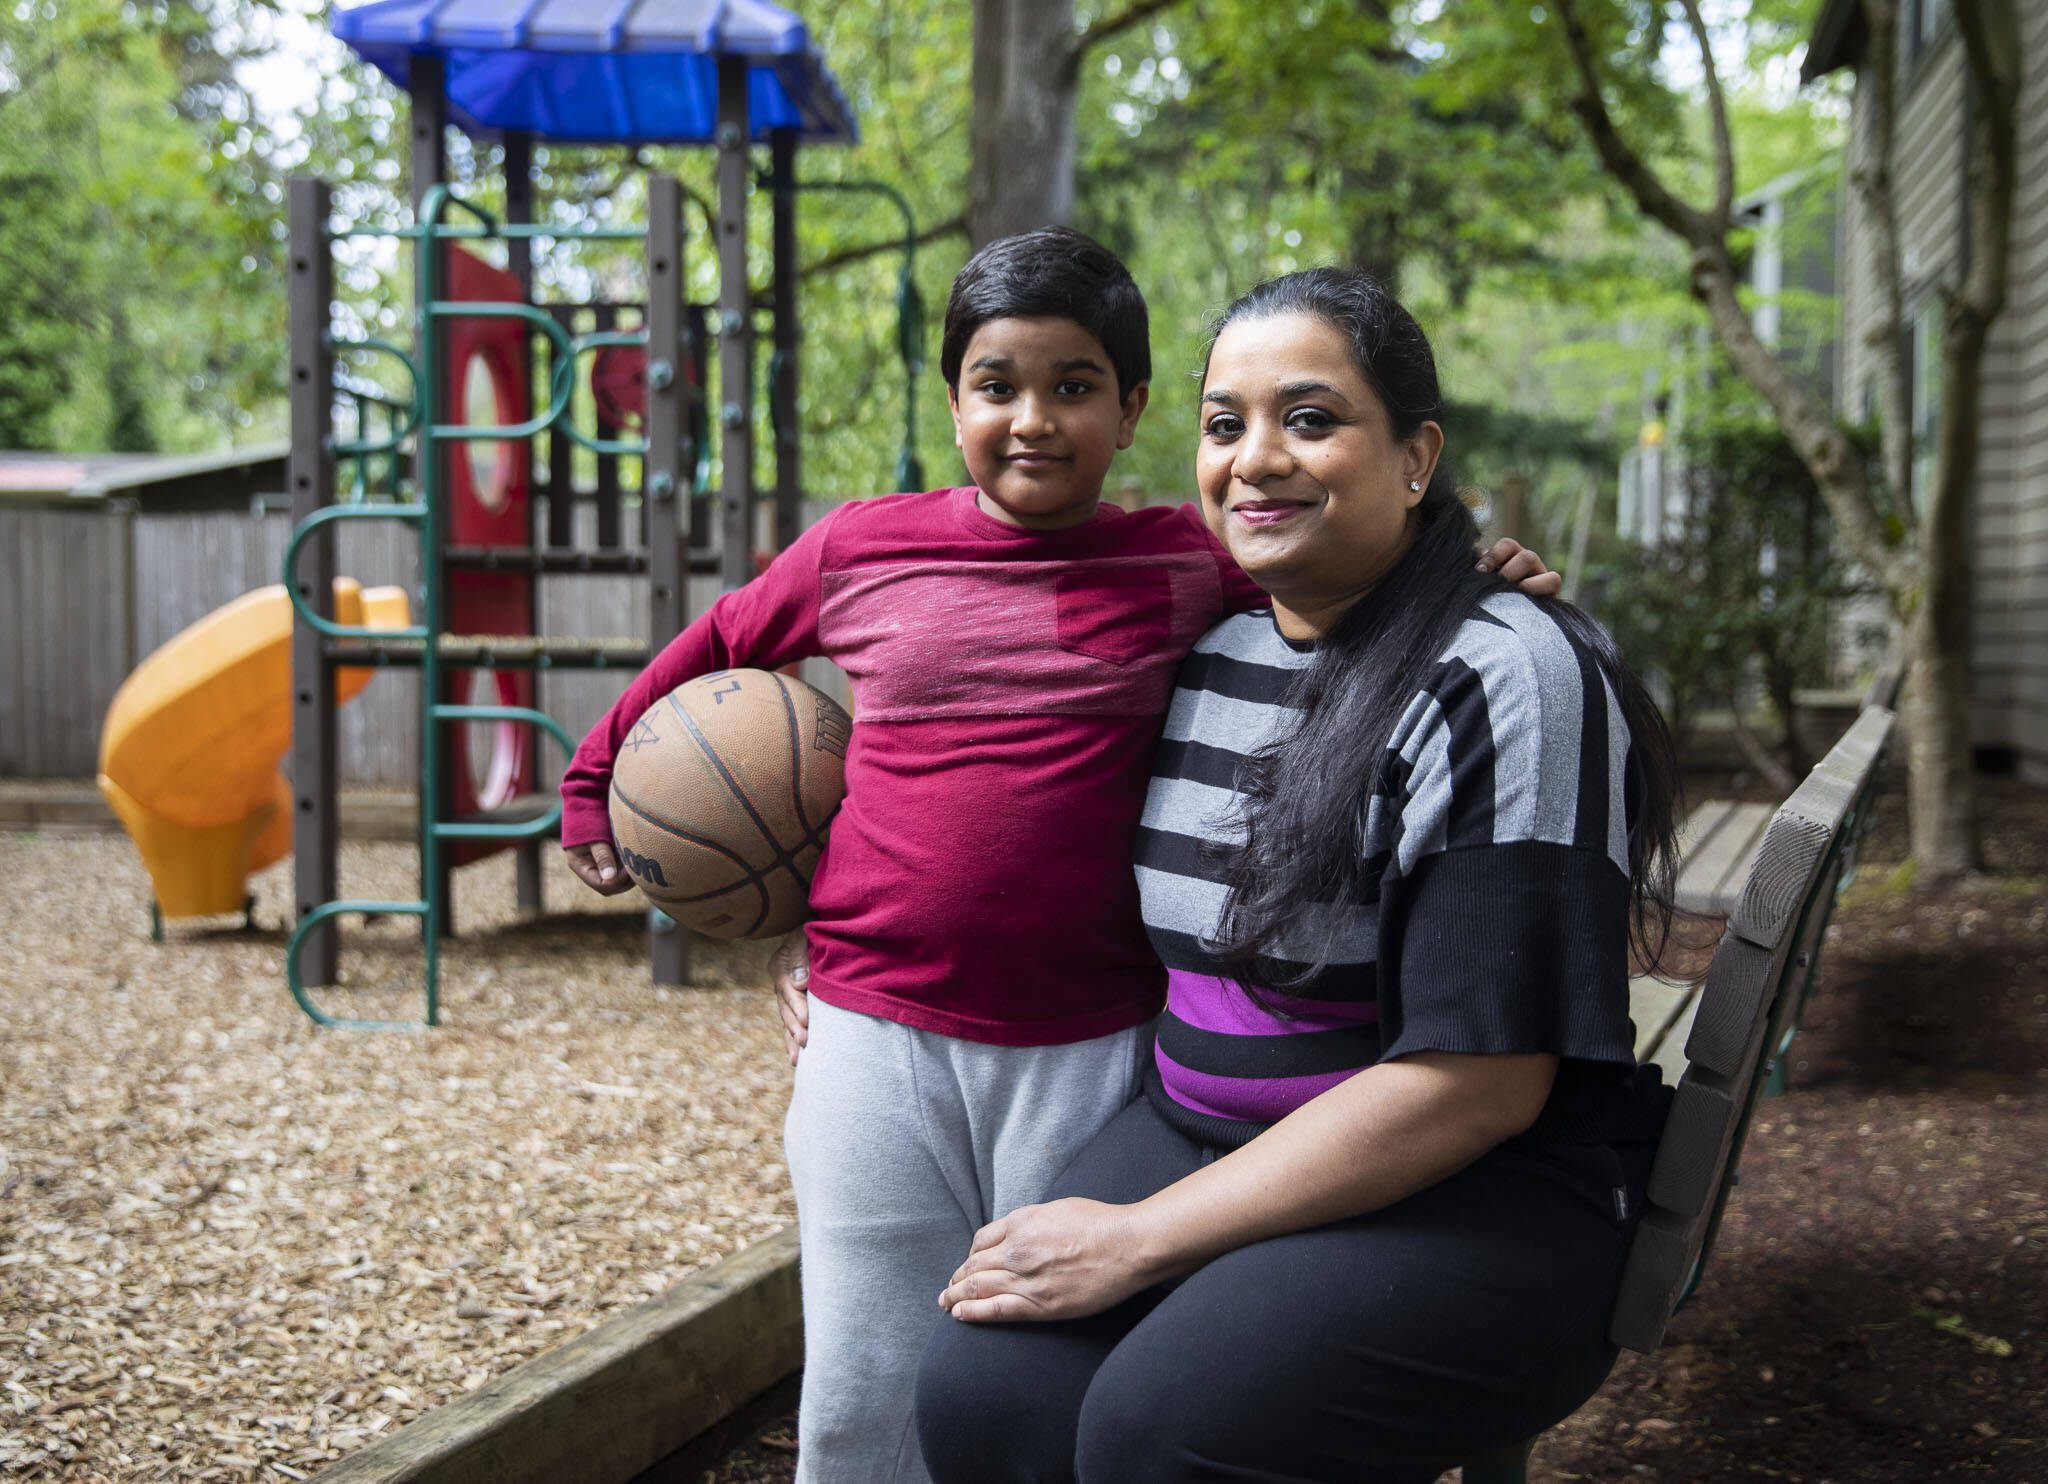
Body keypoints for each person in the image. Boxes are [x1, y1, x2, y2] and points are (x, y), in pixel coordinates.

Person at [560, 232, 1556, 1484]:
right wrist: (594, 782)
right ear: (952, 399)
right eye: (996, 384)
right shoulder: (863, 548)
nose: (1032, 419)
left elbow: (1335, 584)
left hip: (1095, 1047)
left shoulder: (1187, 562)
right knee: (863, 1388)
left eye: (1073, 385)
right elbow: (714, 643)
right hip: (871, 1025)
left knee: (1024, 1370)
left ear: (1132, 408)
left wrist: (1464, 566)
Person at [909, 267, 1681, 1484]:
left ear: (1415, 456)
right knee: (981, 1395)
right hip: (1199, 1128)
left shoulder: (1505, 678)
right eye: (1226, 426)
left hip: (1483, 1185)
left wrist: (1141, 1238)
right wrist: (835, 953)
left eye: (1309, 420)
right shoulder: (1214, 650)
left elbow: (1476, 1085)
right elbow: (998, 819)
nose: (1255, 458)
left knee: (1163, 1431)